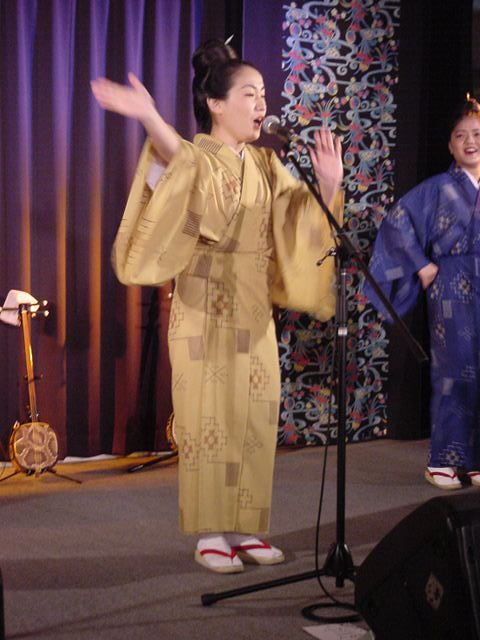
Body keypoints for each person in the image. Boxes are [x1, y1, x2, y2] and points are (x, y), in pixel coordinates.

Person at [91, 39, 343, 573]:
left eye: (263, 93)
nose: (261, 103)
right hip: (204, 305)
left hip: (253, 308)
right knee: (210, 418)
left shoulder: (267, 164)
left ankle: (246, 527)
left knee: (255, 417)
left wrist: (326, 186)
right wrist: (150, 117)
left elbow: (299, 219)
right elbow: (182, 167)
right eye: (249, 93)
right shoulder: (198, 157)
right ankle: (210, 532)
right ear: (216, 104)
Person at [365, 95, 480, 491]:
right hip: (451, 285)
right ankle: (444, 459)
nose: (470, 141)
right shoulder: (438, 189)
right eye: (460, 135)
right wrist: (423, 265)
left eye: (477, 134)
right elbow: (397, 222)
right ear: (449, 145)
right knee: (454, 370)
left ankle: (475, 460)